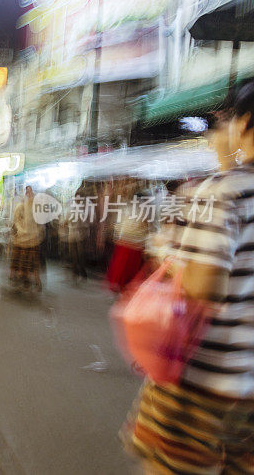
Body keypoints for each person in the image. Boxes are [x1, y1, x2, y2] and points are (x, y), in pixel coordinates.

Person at [124, 82, 254, 474]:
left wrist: (176, 262)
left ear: (244, 124)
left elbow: (203, 286)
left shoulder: (222, 192)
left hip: (202, 382)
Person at [9, 186, 45, 290]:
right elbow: (16, 221)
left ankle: (33, 281)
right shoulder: (21, 207)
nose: (30, 194)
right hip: (21, 240)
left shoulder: (36, 208)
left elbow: (40, 223)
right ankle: (22, 279)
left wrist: (38, 233)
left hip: (32, 240)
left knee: (31, 262)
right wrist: (21, 230)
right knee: (22, 261)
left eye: (31, 192)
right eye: (27, 192)